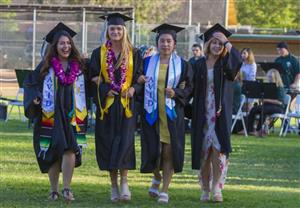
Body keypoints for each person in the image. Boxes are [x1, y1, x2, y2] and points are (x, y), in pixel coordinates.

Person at [23, 22, 88, 202]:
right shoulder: (45, 66)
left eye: (68, 43)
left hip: (72, 115)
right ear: (55, 46)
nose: (65, 46)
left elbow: (92, 81)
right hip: (50, 115)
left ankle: (67, 188)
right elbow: (30, 84)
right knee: (52, 151)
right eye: (61, 43)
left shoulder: (80, 66)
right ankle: (54, 190)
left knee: (70, 149)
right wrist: (35, 97)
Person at [89, 13, 143, 202]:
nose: (115, 31)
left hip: (126, 105)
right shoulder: (99, 53)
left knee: (126, 142)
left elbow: (140, 77)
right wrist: (105, 90)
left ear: (124, 30)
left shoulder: (135, 53)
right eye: (112, 28)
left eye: (119, 28)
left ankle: (125, 183)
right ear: (107, 31)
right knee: (109, 143)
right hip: (108, 107)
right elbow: (93, 77)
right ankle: (113, 185)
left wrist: (134, 89)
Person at [137, 23, 193, 204]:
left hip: (171, 114)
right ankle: (156, 176)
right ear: (157, 43)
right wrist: (139, 80)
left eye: (169, 41)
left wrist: (176, 93)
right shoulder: (146, 62)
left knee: (169, 152)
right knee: (153, 150)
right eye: (162, 41)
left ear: (174, 44)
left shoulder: (183, 65)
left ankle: (165, 189)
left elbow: (191, 88)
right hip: (151, 112)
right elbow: (136, 82)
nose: (165, 44)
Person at [191, 23, 242, 202]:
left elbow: (237, 62)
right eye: (214, 42)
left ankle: (216, 189)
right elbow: (189, 87)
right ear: (208, 44)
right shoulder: (198, 65)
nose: (217, 46)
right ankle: (205, 188)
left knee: (218, 152)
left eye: (220, 44)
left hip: (220, 114)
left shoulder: (226, 65)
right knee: (204, 153)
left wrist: (227, 42)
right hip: (202, 113)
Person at [246, 69, 286, 136]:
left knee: (263, 110)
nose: (269, 78)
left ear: (275, 77)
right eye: (268, 76)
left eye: (271, 77)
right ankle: (249, 130)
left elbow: (280, 102)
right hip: (267, 106)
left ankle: (259, 130)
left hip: (278, 107)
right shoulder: (268, 87)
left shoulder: (280, 88)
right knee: (254, 109)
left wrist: (266, 100)